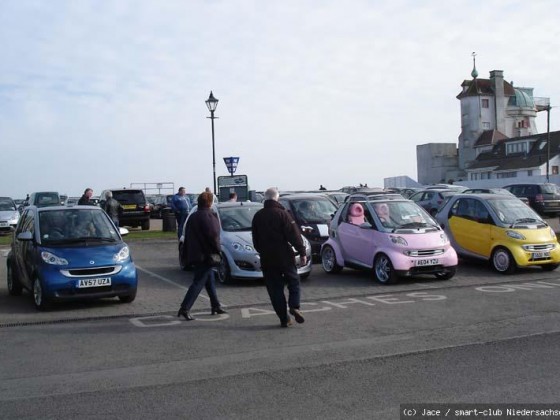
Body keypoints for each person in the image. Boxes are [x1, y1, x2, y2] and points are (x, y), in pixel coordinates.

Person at [252, 187, 307, 327]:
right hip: (284, 255)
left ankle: (284, 319)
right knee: (294, 281)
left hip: (267, 258)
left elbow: (255, 240)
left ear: (265, 198)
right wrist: (302, 252)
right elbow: (294, 235)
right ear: (277, 198)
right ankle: (294, 306)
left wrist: (263, 250)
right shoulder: (283, 214)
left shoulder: (258, 216)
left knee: (275, 289)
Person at [177, 192, 226, 321]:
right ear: (210, 202)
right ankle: (185, 308)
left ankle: (215, 305)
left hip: (195, 253)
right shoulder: (209, 216)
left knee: (209, 280)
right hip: (206, 255)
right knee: (198, 282)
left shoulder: (193, 216)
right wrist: (218, 251)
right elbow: (214, 237)